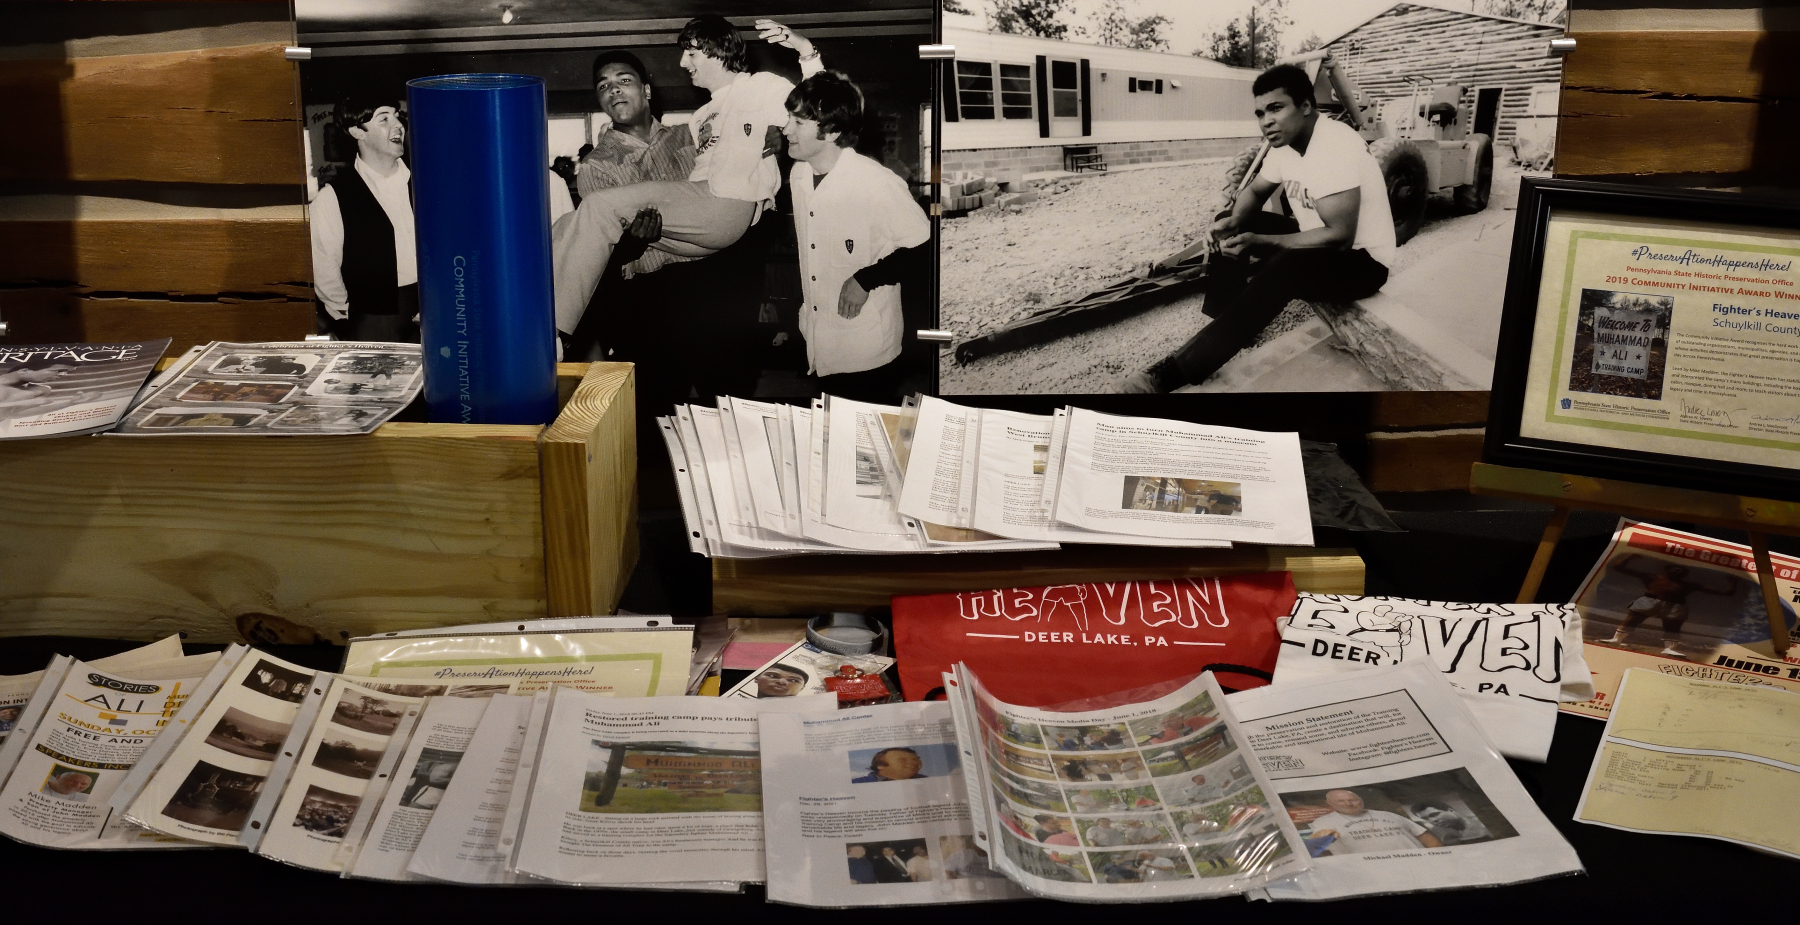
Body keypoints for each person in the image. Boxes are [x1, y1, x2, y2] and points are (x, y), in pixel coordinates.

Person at [1121, 64, 1395, 392]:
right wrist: (1234, 223)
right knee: (1234, 222)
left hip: (1362, 262)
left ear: (1306, 106)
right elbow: (1252, 191)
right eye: (1260, 112)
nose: (1266, 120)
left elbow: (1338, 236)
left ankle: (1167, 376)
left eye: (1276, 108)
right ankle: (1223, 323)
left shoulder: (1335, 145)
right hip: (1323, 245)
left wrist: (1262, 241)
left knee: (1286, 264)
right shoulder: (1286, 147)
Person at [551, 17, 825, 335]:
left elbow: (821, 111)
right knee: (566, 225)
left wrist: (806, 53)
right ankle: (532, 312)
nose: (683, 63)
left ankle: (556, 335)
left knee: (600, 205)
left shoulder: (760, 86)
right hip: (701, 227)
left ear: (717, 51)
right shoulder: (698, 118)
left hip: (727, 204)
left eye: (691, 54)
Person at [311, 97, 419, 343]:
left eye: (397, 116)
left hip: (436, 313)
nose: (398, 125)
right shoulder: (333, 197)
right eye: (384, 119)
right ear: (357, 131)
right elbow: (324, 269)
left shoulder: (426, 183)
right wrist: (347, 317)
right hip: (375, 322)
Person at [1605, 554, 1738, 656]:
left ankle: (1669, 649)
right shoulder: (1652, 577)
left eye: (1681, 570)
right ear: (1667, 570)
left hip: (1675, 606)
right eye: (1675, 568)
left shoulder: (1689, 585)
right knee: (1631, 620)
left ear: (1684, 575)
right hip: (1649, 600)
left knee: (1673, 628)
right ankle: (1616, 639)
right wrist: (1629, 557)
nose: (1677, 570)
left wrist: (1733, 583)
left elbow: (1727, 593)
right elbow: (1618, 567)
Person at [1307, 788, 1441, 853]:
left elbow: (1426, 837)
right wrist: (1321, 837)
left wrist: (1440, 857)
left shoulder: (1388, 815)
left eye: (1352, 800)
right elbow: (1317, 838)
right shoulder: (1323, 822)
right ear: (1330, 803)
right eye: (1340, 801)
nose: (1348, 804)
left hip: (1420, 863)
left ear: (1361, 800)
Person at [853, 746, 927, 783]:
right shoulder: (858, 783)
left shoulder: (926, 780)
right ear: (880, 765)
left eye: (915, 759)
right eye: (902, 760)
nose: (913, 763)